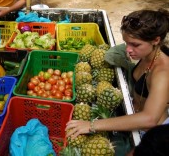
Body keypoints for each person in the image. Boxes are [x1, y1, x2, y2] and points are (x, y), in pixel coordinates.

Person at [66, 9, 169, 140]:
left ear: (155, 40)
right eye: (126, 43)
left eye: (135, 45)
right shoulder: (149, 53)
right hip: (133, 115)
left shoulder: (163, 73)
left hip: (150, 133)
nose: (128, 50)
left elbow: (149, 119)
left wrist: (91, 125)